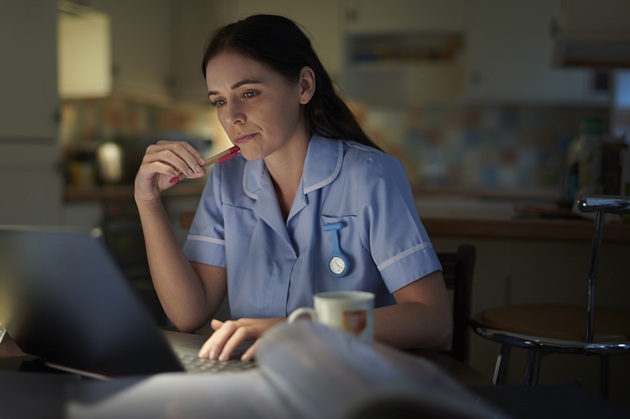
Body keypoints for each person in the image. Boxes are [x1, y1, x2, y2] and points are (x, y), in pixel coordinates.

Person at [134, 14, 452, 362]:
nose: (232, 117)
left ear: (303, 86)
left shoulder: (369, 175)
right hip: (258, 382)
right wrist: (147, 200)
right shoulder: (226, 180)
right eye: (220, 101)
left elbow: (432, 319)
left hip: (350, 384)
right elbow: (187, 315)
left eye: (249, 93)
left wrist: (300, 329)